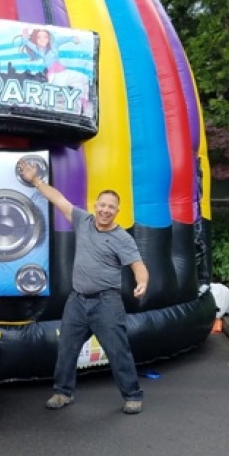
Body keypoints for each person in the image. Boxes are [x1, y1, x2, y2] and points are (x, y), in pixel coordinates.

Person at [17, 159, 149, 414]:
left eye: (111, 207)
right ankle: (62, 392)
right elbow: (58, 199)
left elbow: (138, 265)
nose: (106, 210)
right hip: (77, 301)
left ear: (117, 211)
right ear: (95, 206)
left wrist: (142, 283)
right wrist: (35, 180)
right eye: (103, 205)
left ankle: (133, 395)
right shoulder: (83, 221)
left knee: (117, 349)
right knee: (67, 346)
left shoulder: (122, 238)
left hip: (106, 302)